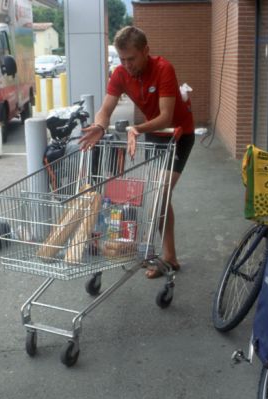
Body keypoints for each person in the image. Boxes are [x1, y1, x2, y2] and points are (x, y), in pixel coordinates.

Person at [79, 26, 195, 279]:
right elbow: (106, 108)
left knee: (160, 193)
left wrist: (136, 128)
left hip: (179, 133)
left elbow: (165, 115)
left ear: (146, 51)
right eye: (122, 59)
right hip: (154, 133)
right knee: (158, 193)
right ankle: (170, 256)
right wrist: (100, 125)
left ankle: (154, 253)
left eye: (131, 58)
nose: (126, 65)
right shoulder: (120, 73)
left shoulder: (164, 68)